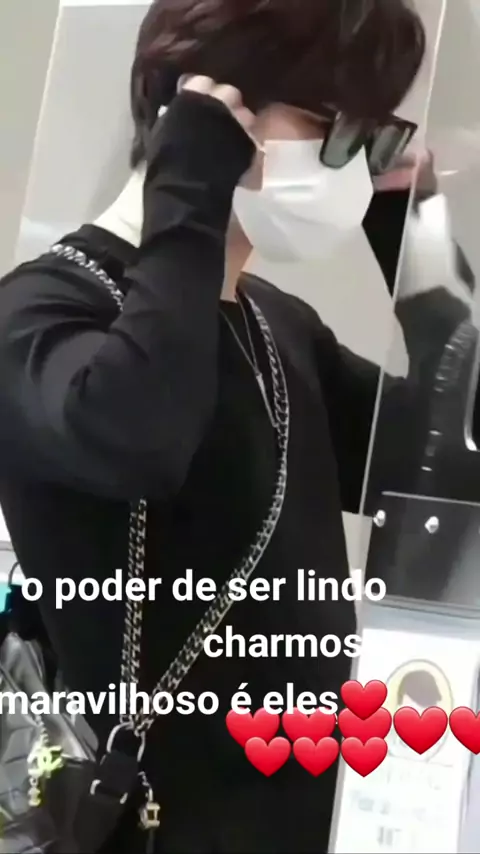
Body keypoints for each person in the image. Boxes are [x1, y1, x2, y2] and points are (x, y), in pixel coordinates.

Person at [0, 0, 474, 851]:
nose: (350, 168)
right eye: (334, 129)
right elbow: (136, 436)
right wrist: (188, 187)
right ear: (205, 105)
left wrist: (423, 252)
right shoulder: (42, 309)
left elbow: (452, 466)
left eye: (371, 141)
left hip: (308, 814)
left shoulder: (278, 326)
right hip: (150, 824)